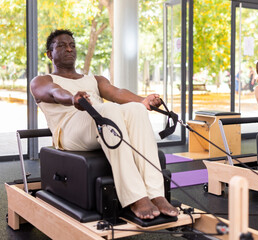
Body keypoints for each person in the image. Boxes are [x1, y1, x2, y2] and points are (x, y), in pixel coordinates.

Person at [30, 29, 178, 220]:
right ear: (50, 54)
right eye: (62, 45)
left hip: (101, 124)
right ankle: (135, 196)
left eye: (72, 45)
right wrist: (72, 98)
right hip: (69, 132)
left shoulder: (94, 79)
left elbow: (116, 93)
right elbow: (53, 92)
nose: (69, 49)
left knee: (135, 109)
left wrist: (143, 101)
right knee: (107, 109)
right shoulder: (42, 80)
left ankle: (155, 193)